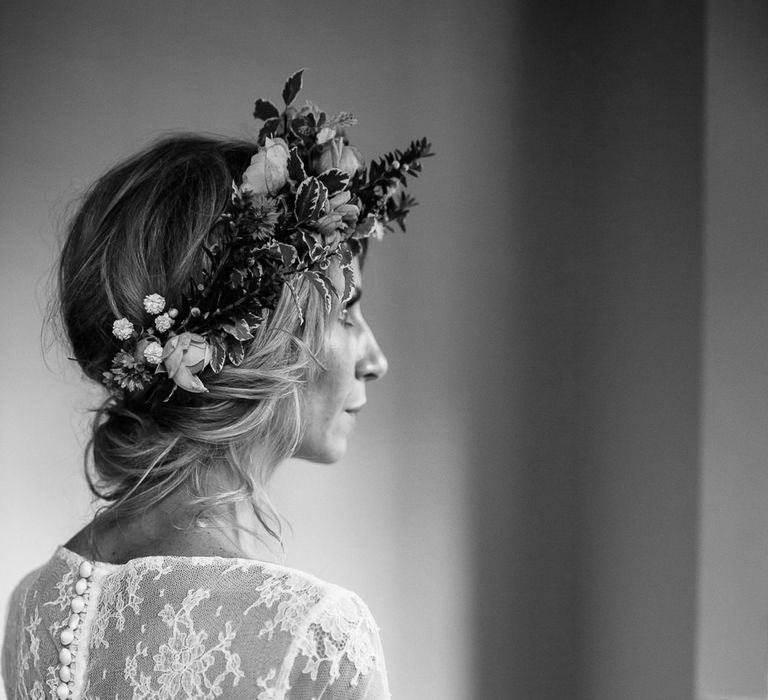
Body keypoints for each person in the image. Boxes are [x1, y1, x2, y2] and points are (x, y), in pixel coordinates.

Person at [1, 71, 431, 700]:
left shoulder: (36, 609)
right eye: (346, 309)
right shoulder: (312, 637)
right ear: (266, 330)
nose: (376, 360)